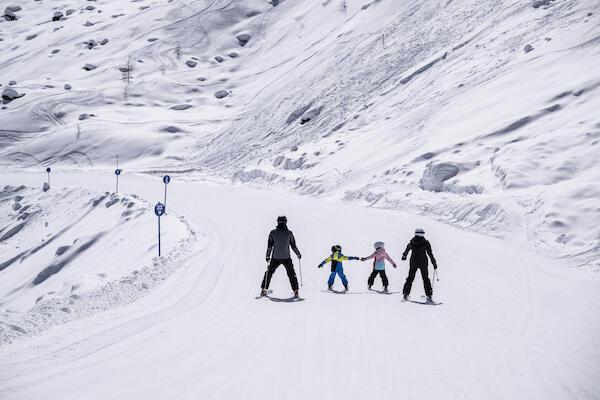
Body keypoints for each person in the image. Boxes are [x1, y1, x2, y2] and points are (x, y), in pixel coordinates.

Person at [261, 216, 302, 298]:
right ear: (286, 222)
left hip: (275, 257)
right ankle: (296, 291)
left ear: (278, 222)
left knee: (269, 272)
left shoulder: (273, 233)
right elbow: (293, 245)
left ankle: (264, 290)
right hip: (286, 257)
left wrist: (267, 256)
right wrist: (298, 254)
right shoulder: (289, 233)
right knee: (291, 273)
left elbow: (269, 246)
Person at [401, 228, 437, 301]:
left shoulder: (412, 242)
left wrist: (404, 256)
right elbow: (430, 253)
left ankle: (405, 294)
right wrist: (434, 262)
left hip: (413, 262)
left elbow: (407, 249)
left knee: (410, 278)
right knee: (425, 278)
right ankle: (429, 295)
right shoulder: (426, 242)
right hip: (423, 262)